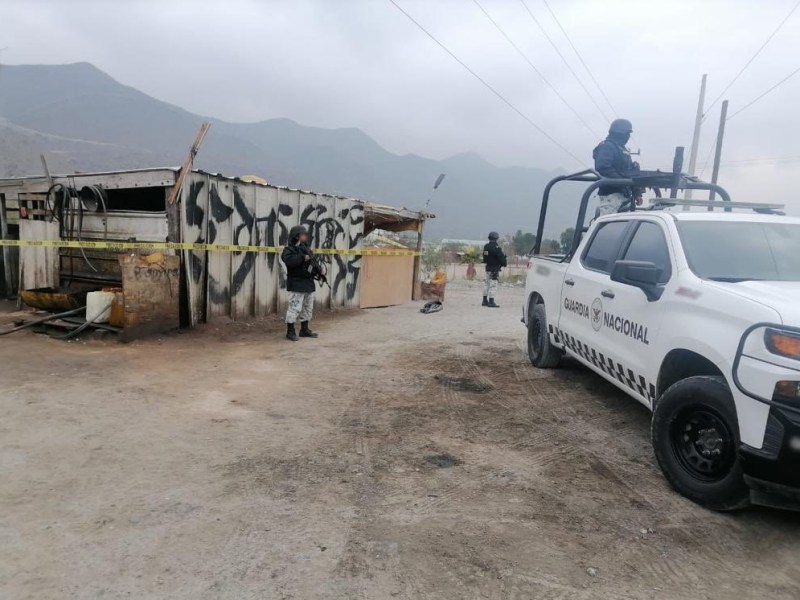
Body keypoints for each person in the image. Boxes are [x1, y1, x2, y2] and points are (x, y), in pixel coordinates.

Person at [592, 119, 642, 216]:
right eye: (627, 133)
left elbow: (630, 173)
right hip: (611, 194)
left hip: (624, 194)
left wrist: (637, 193)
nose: (628, 137)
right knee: (607, 226)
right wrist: (621, 181)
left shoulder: (623, 149)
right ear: (620, 133)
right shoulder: (607, 146)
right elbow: (602, 167)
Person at [281, 225, 319, 341]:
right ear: (296, 236)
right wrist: (303, 258)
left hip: (308, 283)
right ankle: (290, 331)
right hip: (296, 283)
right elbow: (290, 262)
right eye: (303, 234)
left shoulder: (307, 249)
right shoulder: (289, 250)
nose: (305, 236)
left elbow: (313, 264)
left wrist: (320, 271)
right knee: (294, 307)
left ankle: (304, 329)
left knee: (308, 307)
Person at [482, 231, 507, 308]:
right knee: (493, 285)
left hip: (488, 268)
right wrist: (504, 263)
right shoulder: (497, 248)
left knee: (486, 284)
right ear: (496, 238)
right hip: (494, 269)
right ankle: (491, 301)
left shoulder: (486, 247)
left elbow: (485, 258)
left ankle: (484, 301)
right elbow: (502, 259)